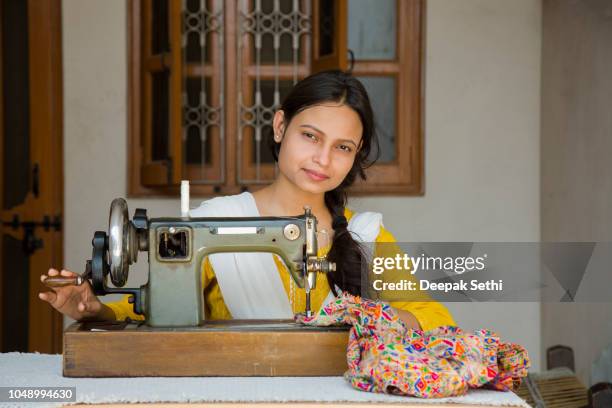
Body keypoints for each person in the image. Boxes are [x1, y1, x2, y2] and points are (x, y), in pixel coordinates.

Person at [39, 70, 455, 330]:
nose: (323, 159)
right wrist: (96, 309)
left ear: (357, 154)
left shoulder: (367, 234)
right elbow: (154, 313)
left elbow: (436, 320)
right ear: (280, 127)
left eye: (343, 147)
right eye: (310, 136)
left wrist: (367, 317)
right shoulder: (213, 222)